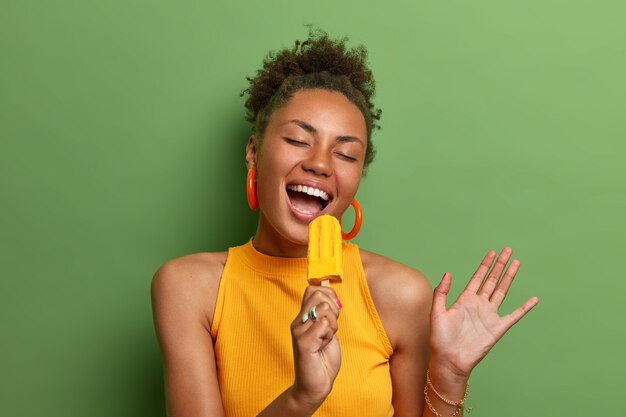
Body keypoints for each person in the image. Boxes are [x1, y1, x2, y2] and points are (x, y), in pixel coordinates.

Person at [151, 29, 539, 417]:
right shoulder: (190, 289)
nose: (319, 164)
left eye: (345, 154)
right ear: (254, 152)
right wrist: (302, 398)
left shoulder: (400, 294)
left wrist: (450, 374)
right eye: (299, 140)